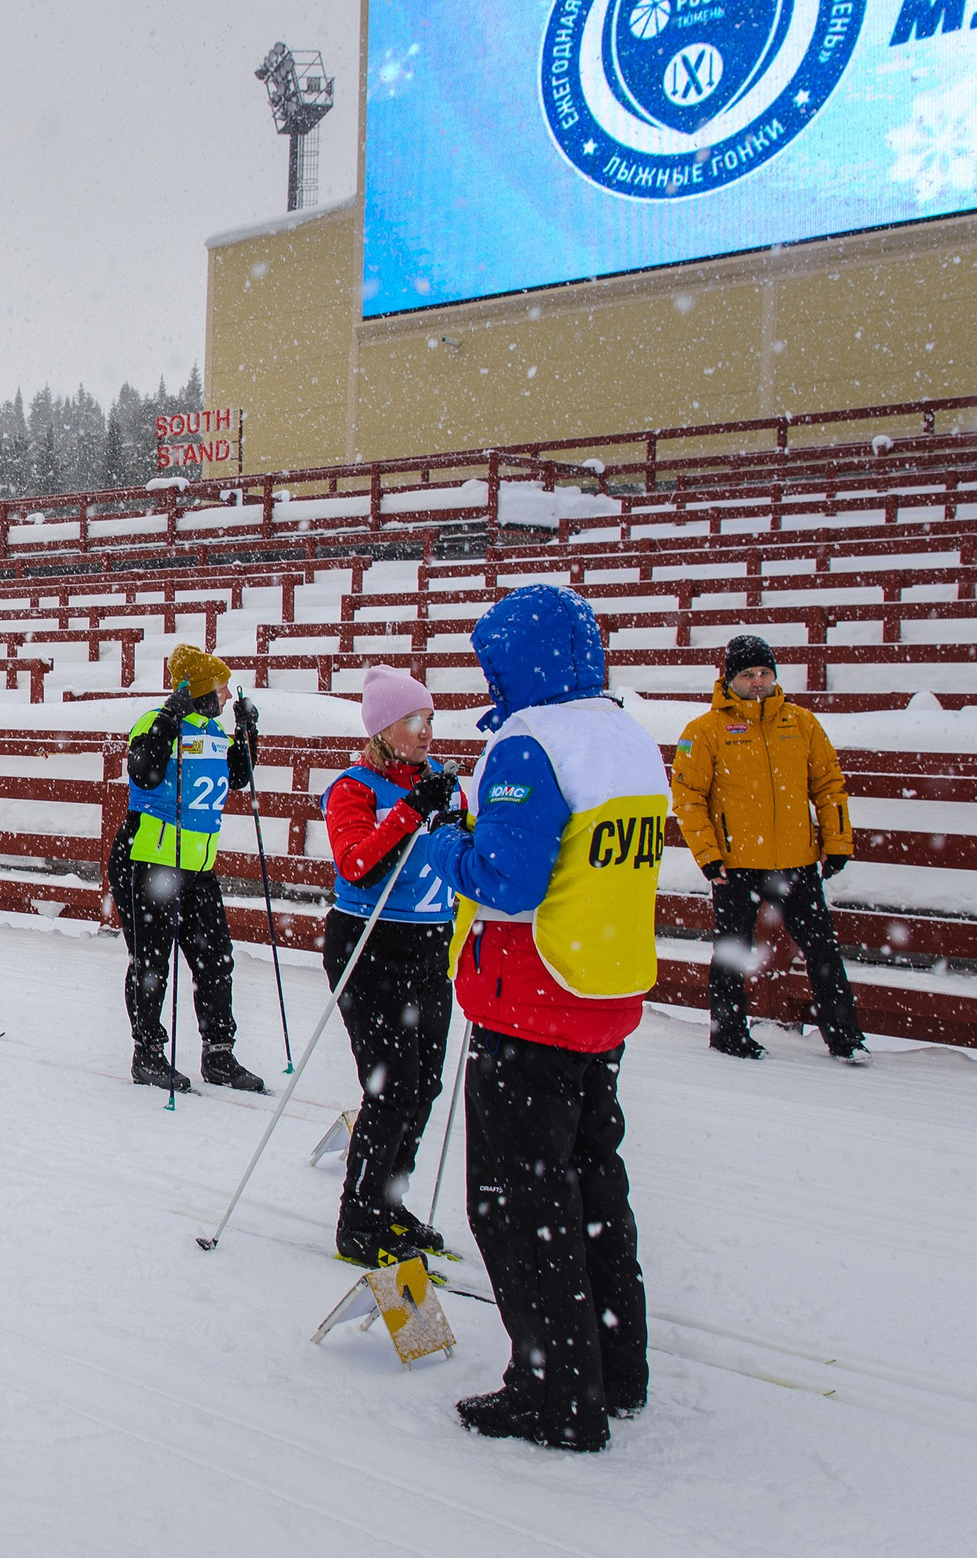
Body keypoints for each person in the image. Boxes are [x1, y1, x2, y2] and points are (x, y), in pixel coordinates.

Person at [420, 584, 664, 1454]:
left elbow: (509, 880)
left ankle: (556, 1390)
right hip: (603, 993)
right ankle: (616, 1362)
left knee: (520, 1206)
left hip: (530, 1002)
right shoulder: (629, 741)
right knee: (595, 1184)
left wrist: (449, 844)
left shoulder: (531, 746)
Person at [318, 664, 467, 1265]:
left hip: (431, 945)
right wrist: (410, 811)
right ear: (383, 730)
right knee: (391, 1086)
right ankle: (359, 1218)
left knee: (425, 1083)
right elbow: (357, 863)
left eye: (429, 717)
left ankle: (390, 1201)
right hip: (371, 945)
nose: (426, 730)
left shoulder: (444, 785)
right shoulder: (354, 788)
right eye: (412, 720)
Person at [670, 635, 865, 1065]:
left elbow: (829, 785)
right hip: (736, 865)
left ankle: (845, 1037)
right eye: (747, 674)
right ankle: (729, 1034)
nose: (757, 682)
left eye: (764, 673)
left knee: (822, 951)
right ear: (730, 679)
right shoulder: (703, 732)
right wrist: (709, 856)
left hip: (796, 861)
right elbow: (688, 798)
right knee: (732, 953)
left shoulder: (802, 723)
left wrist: (836, 842)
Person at [110, 644, 266, 1093]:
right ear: (198, 691)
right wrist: (167, 720)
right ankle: (149, 1053)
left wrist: (248, 733)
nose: (226, 697)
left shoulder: (216, 732)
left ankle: (219, 1053)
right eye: (220, 690)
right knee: (152, 961)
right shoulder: (156, 722)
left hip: (197, 868)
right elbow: (144, 773)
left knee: (216, 959)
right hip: (150, 862)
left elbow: (237, 775)